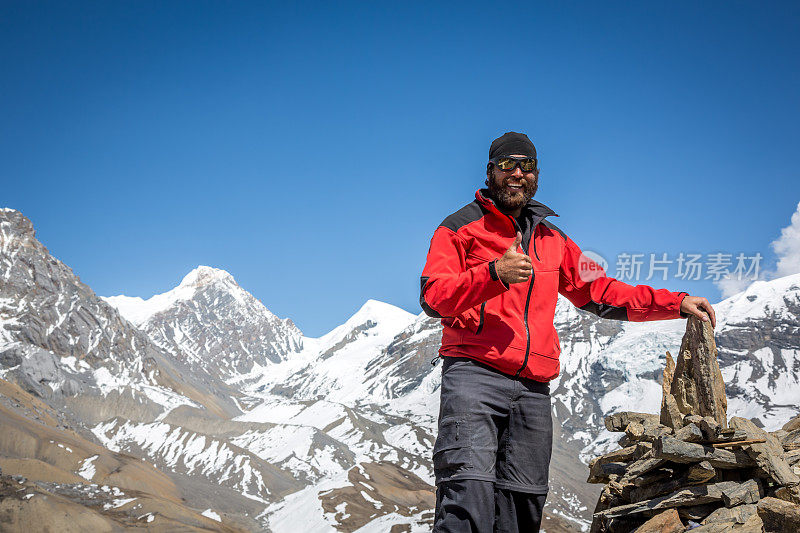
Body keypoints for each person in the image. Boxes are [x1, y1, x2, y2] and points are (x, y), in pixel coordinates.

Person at [419, 131, 716, 532]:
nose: (517, 173)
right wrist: (493, 274)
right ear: (490, 171)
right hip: (474, 375)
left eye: (527, 166)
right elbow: (433, 295)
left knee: (524, 503)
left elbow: (600, 290)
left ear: (537, 175)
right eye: (508, 164)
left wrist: (674, 302)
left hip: (533, 390)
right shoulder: (459, 228)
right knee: (466, 494)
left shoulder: (552, 239)